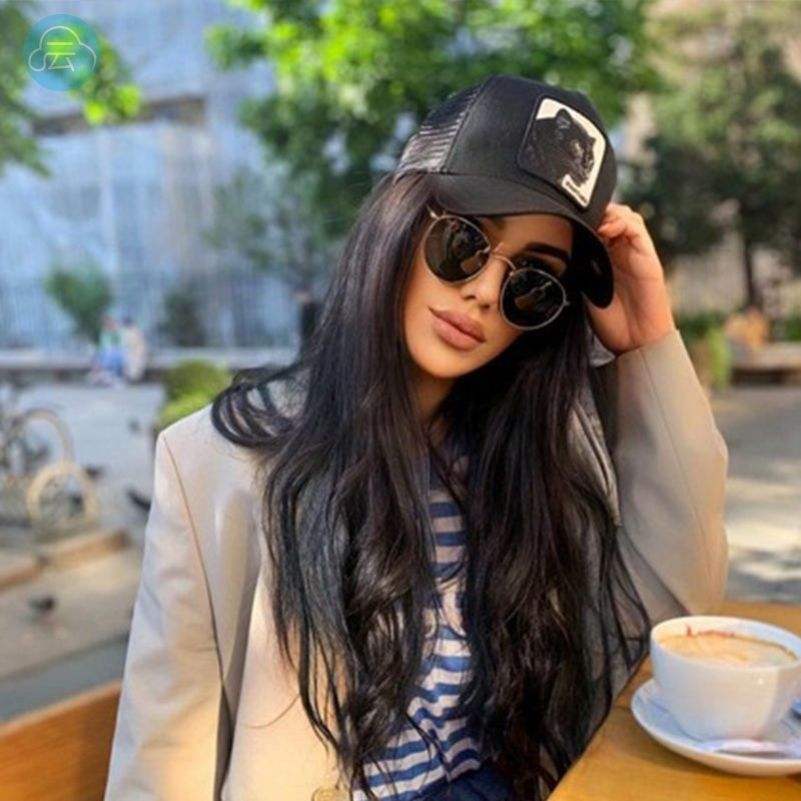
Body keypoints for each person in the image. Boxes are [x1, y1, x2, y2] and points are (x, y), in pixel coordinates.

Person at [104, 75, 729, 801]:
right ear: (398, 219)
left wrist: (649, 342)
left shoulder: (536, 455)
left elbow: (671, 621)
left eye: (532, 280)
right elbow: (164, 751)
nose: (485, 292)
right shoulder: (219, 462)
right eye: (465, 241)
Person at [89, 313, 125, 386]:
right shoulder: (104, 332)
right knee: (98, 356)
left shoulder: (117, 332)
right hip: (105, 352)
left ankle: (110, 376)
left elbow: (120, 344)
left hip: (116, 352)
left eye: (108, 322)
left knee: (111, 355)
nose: (107, 324)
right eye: (105, 323)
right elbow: (103, 345)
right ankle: (101, 376)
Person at [119, 315, 148, 383]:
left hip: (138, 351)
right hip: (129, 352)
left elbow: (141, 344)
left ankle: (134, 378)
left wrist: (138, 352)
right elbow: (124, 344)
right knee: (128, 361)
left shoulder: (136, 331)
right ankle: (130, 378)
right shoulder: (124, 331)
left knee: (135, 362)